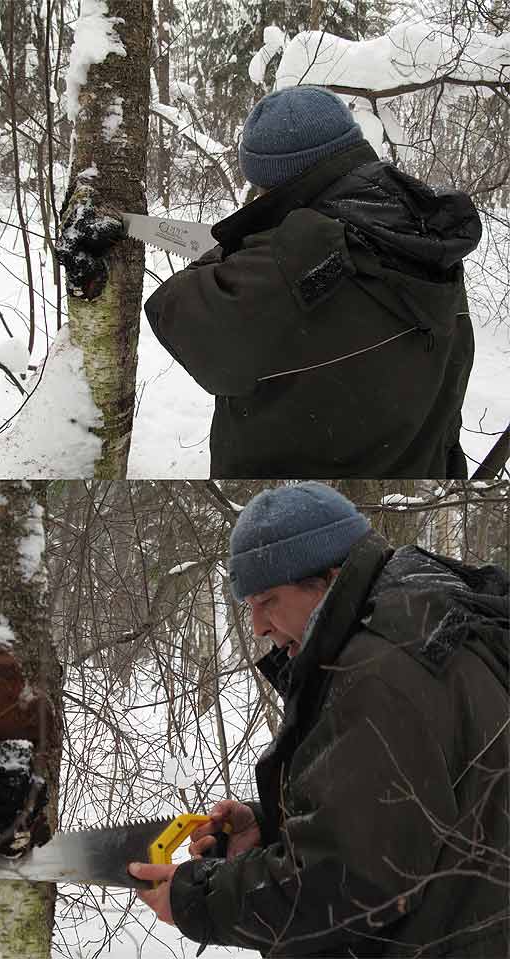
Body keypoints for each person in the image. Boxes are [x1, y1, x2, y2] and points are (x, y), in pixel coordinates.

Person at [128, 482, 509, 957]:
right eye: (249, 607)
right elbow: (406, 815)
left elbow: (352, 881)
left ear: (327, 578)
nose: (258, 627)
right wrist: (273, 826)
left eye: (268, 601)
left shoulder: (380, 669)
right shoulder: (419, 626)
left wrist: (200, 900)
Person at [143, 87, 481, 478]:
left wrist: (236, 247)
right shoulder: (413, 229)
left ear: (275, 183)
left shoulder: (296, 257)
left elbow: (176, 310)